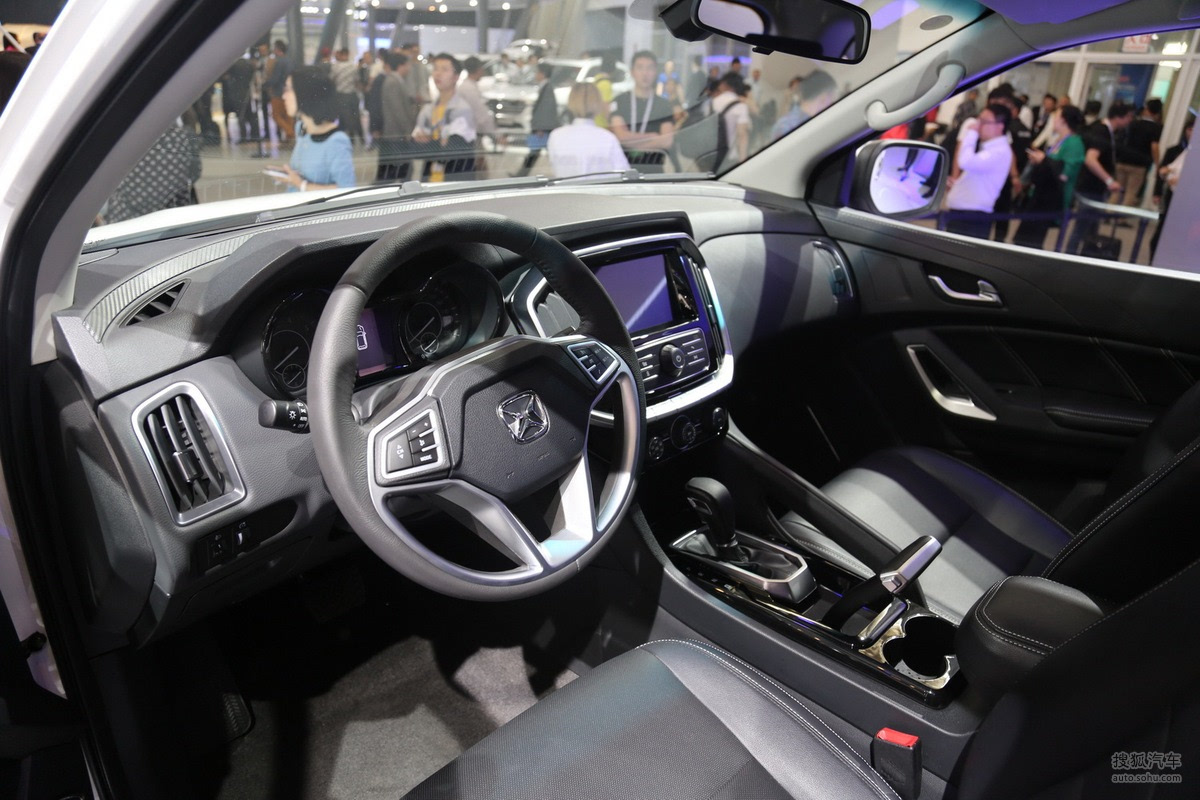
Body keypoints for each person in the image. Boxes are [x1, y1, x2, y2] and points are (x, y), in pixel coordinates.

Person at [269, 67, 355, 191]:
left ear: (305, 94)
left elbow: (346, 189)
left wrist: (301, 185)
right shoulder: (301, 129)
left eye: (288, 90)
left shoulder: (336, 141)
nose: (283, 96)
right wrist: (289, 176)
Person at [1067, 101, 1135, 254]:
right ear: (1119, 116)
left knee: (1089, 228)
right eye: (1129, 116)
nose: (1130, 120)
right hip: (1091, 187)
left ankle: (1082, 256)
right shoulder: (1102, 132)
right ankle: (1070, 256)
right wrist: (1109, 180)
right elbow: (1091, 159)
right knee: (1082, 227)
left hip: (1094, 187)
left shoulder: (1105, 130)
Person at [1014, 105, 1086, 249]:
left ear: (1064, 120)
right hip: (1041, 194)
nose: (1053, 120)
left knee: (1032, 240)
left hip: (1051, 198)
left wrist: (1044, 160)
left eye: (1056, 116)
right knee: (1025, 238)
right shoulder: (1060, 140)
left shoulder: (1074, 143)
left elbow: (1065, 172)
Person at [104, 120, 202, 223]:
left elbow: (107, 178)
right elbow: (195, 173)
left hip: (126, 221)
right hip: (174, 219)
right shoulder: (183, 137)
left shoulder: (122, 139)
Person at [945, 103, 1014, 239]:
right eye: (979, 120)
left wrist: (971, 134)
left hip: (972, 218)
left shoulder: (999, 151)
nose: (978, 125)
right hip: (966, 214)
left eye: (984, 121)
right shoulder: (989, 148)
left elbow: (965, 162)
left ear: (1000, 126)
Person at [411, 53, 477, 182]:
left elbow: (452, 152)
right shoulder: (428, 110)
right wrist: (440, 142)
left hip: (454, 183)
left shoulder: (462, 110)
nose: (438, 74)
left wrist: (429, 141)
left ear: (456, 77)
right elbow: (414, 148)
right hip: (429, 181)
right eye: (435, 68)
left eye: (444, 69)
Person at [610, 50, 676, 172]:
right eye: (640, 68)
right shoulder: (619, 101)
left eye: (649, 68)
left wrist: (632, 143)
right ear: (632, 72)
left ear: (655, 72)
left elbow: (667, 141)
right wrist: (652, 137)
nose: (645, 73)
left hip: (653, 171)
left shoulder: (664, 104)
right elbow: (620, 136)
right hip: (623, 169)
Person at [548, 83, 629, 178]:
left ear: (571, 102)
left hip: (566, 187)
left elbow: (554, 169)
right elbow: (624, 174)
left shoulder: (556, 136)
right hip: (600, 188)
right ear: (598, 103)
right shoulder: (607, 138)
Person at [1150, 117, 1193, 260]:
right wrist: (1158, 191)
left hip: (1187, 201)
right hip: (1172, 196)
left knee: (1177, 234)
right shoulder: (1180, 150)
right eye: (1190, 129)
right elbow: (1165, 170)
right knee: (1161, 231)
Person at [377, 51, 419, 182]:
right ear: (401, 66)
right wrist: (408, 132)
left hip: (397, 134)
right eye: (408, 65)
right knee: (403, 171)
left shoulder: (397, 80)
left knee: (403, 170)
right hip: (396, 134)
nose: (409, 68)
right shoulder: (392, 82)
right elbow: (398, 111)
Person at [513, 62, 558, 177]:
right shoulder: (545, 87)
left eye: (537, 72)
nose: (535, 75)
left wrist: (540, 127)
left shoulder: (547, 88)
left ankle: (521, 175)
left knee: (538, 152)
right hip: (543, 127)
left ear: (542, 74)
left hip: (543, 128)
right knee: (537, 153)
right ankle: (521, 175)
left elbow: (546, 109)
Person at [1115, 98, 1162, 207]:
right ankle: (1121, 215)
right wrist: (1157, 164)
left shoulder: (1133, 123)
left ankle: (1108, 212)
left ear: (1146, 109)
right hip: (1139, 164)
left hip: (1123, 159)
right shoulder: (1156, 128)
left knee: (1116, 190)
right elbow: (1154, 147)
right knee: (1131, 193)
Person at [771, 70, 836, 140]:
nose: (830, 102)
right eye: (831, 96)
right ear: (824, 97)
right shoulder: (785, 126)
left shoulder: (818, 123)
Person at [710, 72, 751, 170]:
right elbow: (742, 135)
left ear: (725, 84)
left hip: (710, 155)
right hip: (729, 157)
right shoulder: (741, 106)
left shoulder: (712, 102)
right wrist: (742, 161)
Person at [457, 57, 496, 141]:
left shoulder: (467, 86)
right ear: (479, 70)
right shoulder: (469, 89)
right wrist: (495, 135)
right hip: (469, 135)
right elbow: (481, 115)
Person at [330, 48, 363, 144]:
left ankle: (349, 138)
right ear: (348, 54)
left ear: (341, 55)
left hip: (341, 95)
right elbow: (357, 81)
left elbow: (332, 80)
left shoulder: (335, 67)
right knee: (355, 116)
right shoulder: (353, 67)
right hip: (352, 95)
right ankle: (361, 138)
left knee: (344, 117)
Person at [222, 54, 257, 143]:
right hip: (246, 92)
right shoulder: (248, 64)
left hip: (236, 94)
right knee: (249, 115)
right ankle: (254, 136)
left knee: (241, 116)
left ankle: (243, 137)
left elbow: (226, 77)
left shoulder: (233, 65)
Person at [265, 40, 293, 143]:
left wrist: (266, 84)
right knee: (288, 116)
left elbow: (275, 78)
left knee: (276, 115)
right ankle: (289, 137)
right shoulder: (290, 61)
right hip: (289, 92)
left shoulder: (278, 62)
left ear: (277, 49)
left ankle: (290, 132)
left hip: (278, 92)